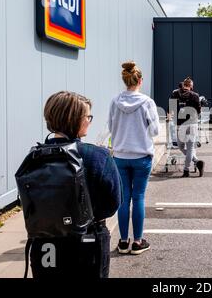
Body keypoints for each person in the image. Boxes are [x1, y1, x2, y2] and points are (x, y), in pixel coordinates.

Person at [29, 91, 122, 278]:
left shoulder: (33, 157)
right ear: (76, 120)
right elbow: (113, 203)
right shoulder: (97, 156)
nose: (89, 120)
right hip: (88, 241)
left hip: (45, 244)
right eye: (88, 116)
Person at [109, 61, 160, 255]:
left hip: (121, 155)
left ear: (125, 80)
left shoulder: (115, 101)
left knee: (124, 199)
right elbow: (155, 131)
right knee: (138, 197)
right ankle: (137, 242)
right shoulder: (147, 102)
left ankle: (123, 241)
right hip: (141, 155)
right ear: (140, 80)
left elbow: (111, 127)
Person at [170, 77, 205, 178]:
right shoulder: (195, 95)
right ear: (191, 86)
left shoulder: (175, 94)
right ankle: (196, 162)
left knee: (180, 146)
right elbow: (199, 111)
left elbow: (171, 108)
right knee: (190, 148)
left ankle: (187, 170)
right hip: (192, 123)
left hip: (180, 124)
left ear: (183, 84)